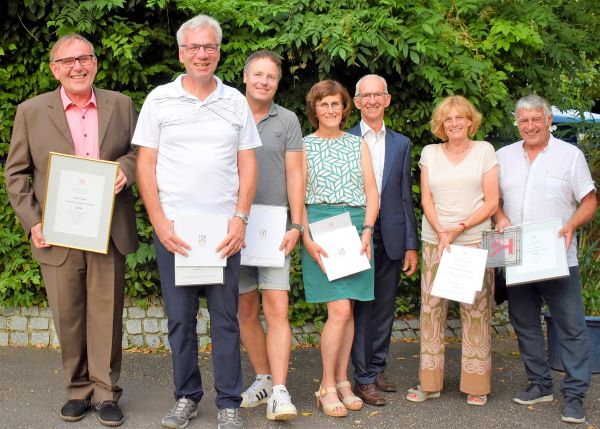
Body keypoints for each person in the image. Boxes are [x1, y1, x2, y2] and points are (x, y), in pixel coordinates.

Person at [134, 14, 261, 429]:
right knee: (180, 320)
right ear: (181, 53)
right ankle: (186, 396)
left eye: (209, 47)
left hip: (224, 232)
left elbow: (248, 163)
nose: (202, 54)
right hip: (175, 233)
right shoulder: (158, 100)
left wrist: (241, 218)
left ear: (218, 52)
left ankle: (229, 402)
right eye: (194, 47)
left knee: (226, 319)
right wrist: (159, 222)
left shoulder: (236, 102)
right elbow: (146, 165)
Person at [4, 34, 138, 426]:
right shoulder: (30, 111)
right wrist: (33, 222)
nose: (78, 66)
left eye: (85, 58)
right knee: (69, 315)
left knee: (107, 314)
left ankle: (107, 393)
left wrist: (125, 171)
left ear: (95, 63)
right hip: (57, 232)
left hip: (108, 227)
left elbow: (140, 151)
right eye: (68, 61)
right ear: (54, 69)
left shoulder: (121, 104)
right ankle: (78, 390)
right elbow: (16, 173)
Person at [494, 95, 596, 424]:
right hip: (516, 255)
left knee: (572, 327)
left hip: (557, 255)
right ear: (517, 123)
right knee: (524, 322)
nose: (530, 126)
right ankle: (539, 383)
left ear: (549, 120)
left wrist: (571, 224)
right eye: (523, 121)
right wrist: (498, 216)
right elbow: (492, 199)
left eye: (536, 119)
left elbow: (589, 201)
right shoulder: (503, 156)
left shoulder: (570, 156)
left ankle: (575, 393)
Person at [406, 95, 498, 406]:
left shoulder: (484, 151)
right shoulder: (430, 153)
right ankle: (429, 383)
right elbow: (427, 199)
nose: (455, 123)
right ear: (441, 125)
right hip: (436, 241)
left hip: (473, 239)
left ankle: (477, 384)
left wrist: (457, 229)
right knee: (431, 310)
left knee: (475, 311)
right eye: (448, 119)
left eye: (460, 118)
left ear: (471, 122)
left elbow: (492, 201)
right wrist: (442, 232)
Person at [301, 80, 379, 417]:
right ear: (314, 109)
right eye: (324, 104)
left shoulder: (357, 143)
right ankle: (326, 385)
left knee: (349, 310)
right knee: (340, 311)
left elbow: (373, 193)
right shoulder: (303, 146)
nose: (331, 110)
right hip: (321, 227)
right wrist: (306, 237)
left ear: (345, 108)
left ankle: (343, 382)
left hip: (356, 228)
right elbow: (297, 197)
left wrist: (367, 230)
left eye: (336, 104)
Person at [236, 50, 304, 421]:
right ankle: (262, 379)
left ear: (278, 83)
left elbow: (295, 174)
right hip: (236, 227)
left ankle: (279, 390)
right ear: (245, 77)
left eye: (271, 77)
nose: (264, 81)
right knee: (245, 307)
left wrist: (297, 224)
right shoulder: (229, 111)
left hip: (274, 229)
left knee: (276, 307)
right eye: (258, 74)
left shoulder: (288, 119)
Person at [348, 74, 419, 406]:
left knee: (384, 308)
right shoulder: (345, 139)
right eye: (367, 96)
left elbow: (406, 197)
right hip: (354, 233)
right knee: (360, 307)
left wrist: (410, 244)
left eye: (379, 95)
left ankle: (376, 368)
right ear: (357, 101)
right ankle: (361, 376)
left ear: (387, 100)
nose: (373, 100)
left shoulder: (402, 144)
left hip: (389, 235)